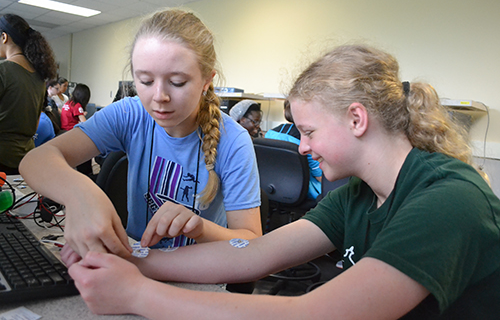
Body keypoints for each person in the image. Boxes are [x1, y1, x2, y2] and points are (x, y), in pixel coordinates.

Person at [63, 44, 499, 319]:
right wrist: (127, 259)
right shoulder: (359, 196)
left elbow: (317, 312)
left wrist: (138, 295)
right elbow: (251, 254)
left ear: (356, 118)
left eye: (308, 132)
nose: (302, 148)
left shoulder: (448, 199)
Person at [20, 8, 262, 259]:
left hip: (197, 273)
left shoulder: (233, 140)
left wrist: (200, 228)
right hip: (137, 262)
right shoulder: (131, 114)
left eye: (177, 82)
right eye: (145, 81)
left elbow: (251, 242)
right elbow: (36, 160)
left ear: (206, 80)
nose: (159, 97)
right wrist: (81, 193)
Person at [0, 14, 57, 174]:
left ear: (4, 37)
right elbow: (36, 121)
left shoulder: (3, 71)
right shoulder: (39, 78)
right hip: (25, 160)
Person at [265, 99, 322, 199]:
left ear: (285, 112)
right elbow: (320, 177)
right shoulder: (306, 142)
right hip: (303, 194)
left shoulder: (269, 134)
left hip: (270, 191)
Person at [60, 83, 93, 176]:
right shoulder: (77, 105)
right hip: (71, 132)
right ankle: (87, 174)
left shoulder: (68, 103)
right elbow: (84, 123)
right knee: (89, 148)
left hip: (64, 130)